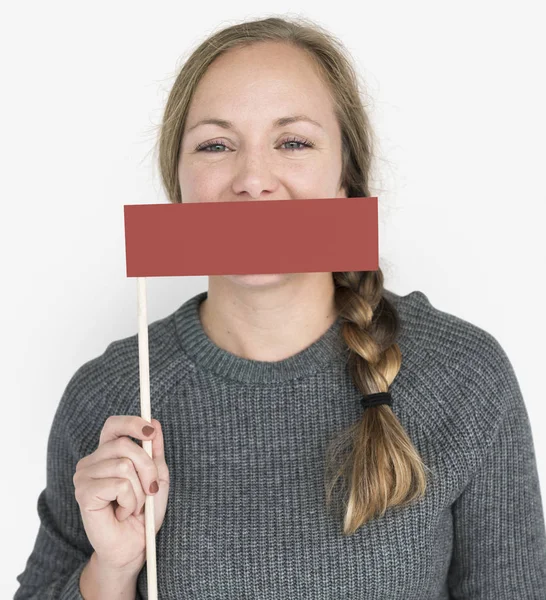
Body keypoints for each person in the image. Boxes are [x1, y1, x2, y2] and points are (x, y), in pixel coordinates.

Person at [14, 15, 546, 600]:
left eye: (292, 142)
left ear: (346, 178)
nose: (253, 178)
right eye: (216, 145)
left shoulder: (464, 375)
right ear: (179, 184)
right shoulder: (109, 397)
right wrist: (111, 571)